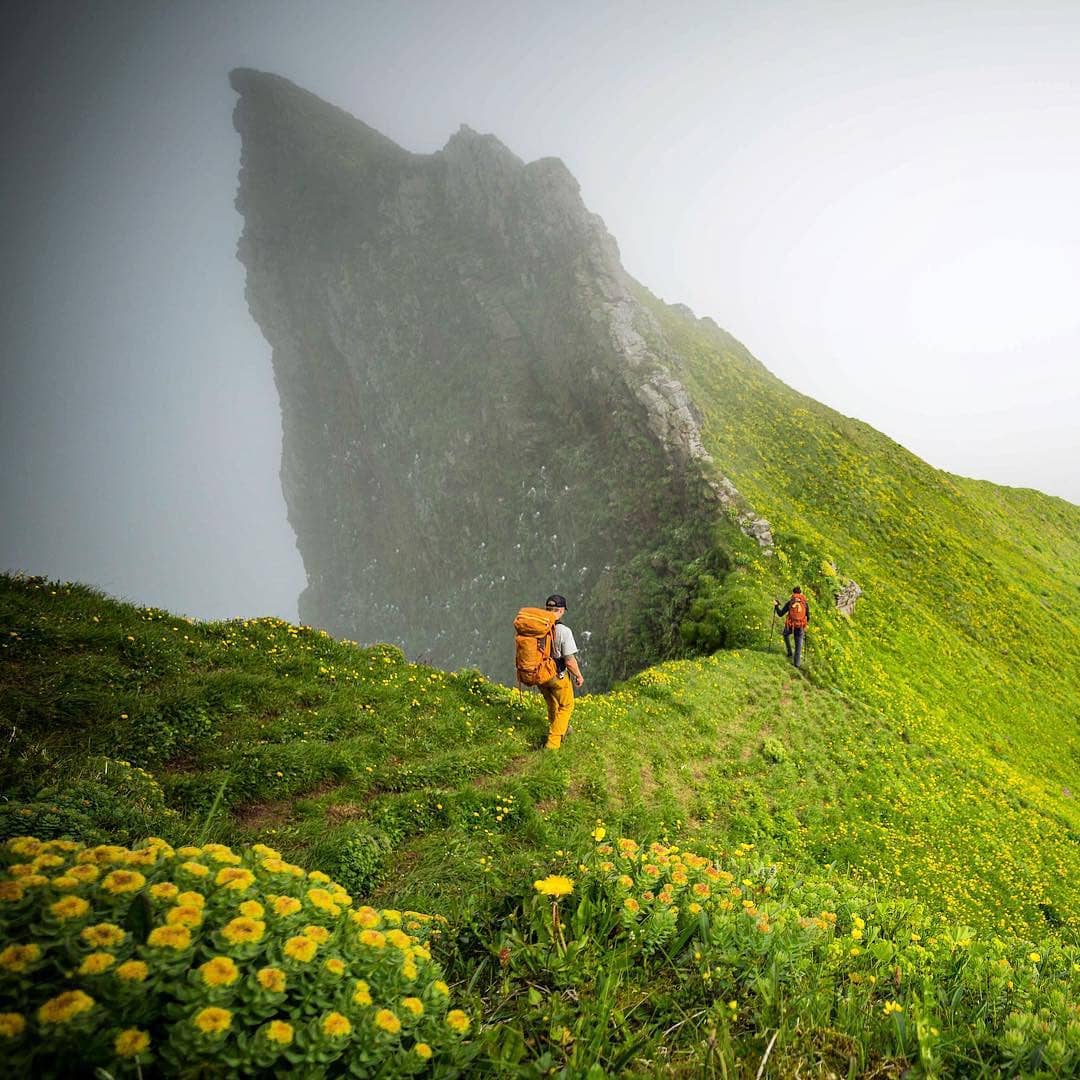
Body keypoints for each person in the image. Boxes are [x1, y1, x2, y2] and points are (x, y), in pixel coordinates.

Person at [539, 593, 584, 750]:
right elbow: (569, 661)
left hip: (540, 675)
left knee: (552, 703)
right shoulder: (564, 631)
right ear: (561, 610)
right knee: (566, 706)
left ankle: (561, 729)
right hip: (556, 675)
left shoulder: (537, 626)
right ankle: (553, 743)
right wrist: (578, 676)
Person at [774, 587, 810, 668]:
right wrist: (805, 624)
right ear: (801, 593)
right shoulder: (804, 603)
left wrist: (776, 606)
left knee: (785, 634)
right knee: (798, 645)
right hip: (800, 626)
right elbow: (808, 616)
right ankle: (797, 664)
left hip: (790, 625)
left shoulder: (790, 602)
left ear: (793, 593)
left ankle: (789, 652)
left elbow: (780, 614)